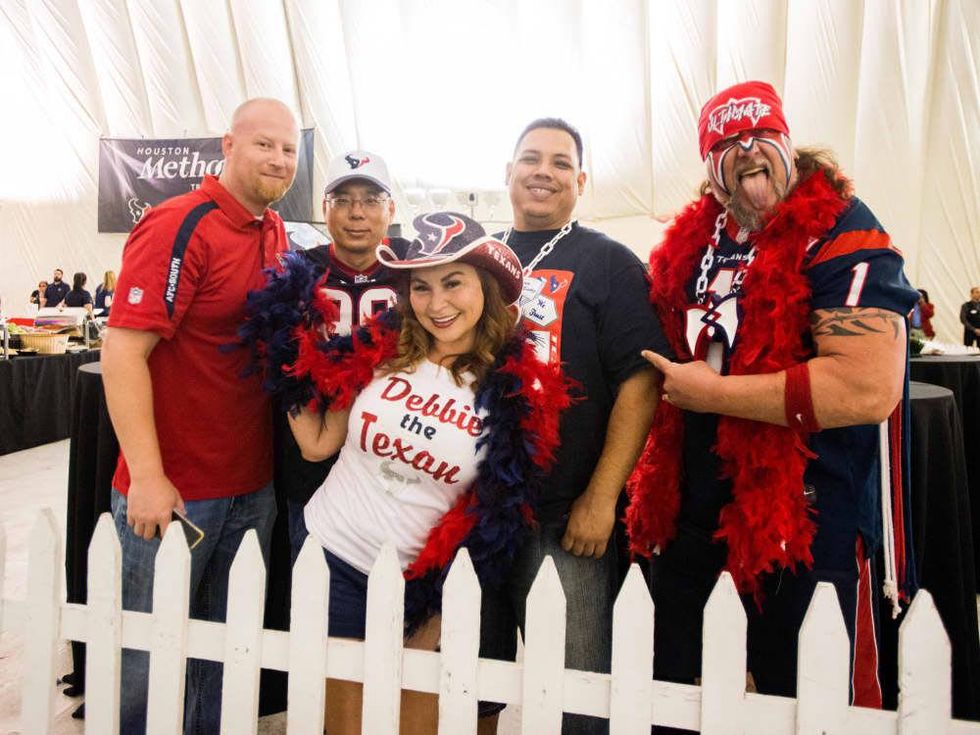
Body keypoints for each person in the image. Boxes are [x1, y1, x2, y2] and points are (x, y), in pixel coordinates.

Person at [627, 81, 919, 721]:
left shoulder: (843, 229)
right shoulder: (692, 240)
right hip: (695, 516)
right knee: (677, 701)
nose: (748, 150)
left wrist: (715, 395)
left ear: (788, 142)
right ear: (709, 170)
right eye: (728, 142)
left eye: (762, 134)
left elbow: (866, 388)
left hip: (806, 518)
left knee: (808, 707)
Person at [247, 212, 572, 734]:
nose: (436, 303)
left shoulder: (516, 392)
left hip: (419, 587)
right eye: (421, 286)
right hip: (333, 558)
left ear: (486, 288)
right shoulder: (383, 348)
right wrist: (284, 355)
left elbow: (498, 522)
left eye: (453, 282)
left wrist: (434, 620)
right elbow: (316, 444)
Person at [101, 97, 299, 734]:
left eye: (289, 149)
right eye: (263, 144)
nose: (277, 158)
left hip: (251, 488)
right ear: (228, 145)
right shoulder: (178, 223)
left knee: (226, 658)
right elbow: (124, 351)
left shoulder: (274, 229)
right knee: (145, 665)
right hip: (178, 494)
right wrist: (149, 476)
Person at [480, 118, 670, 734]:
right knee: (467, 686)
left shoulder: (609, 262)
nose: (544, 171)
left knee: (577, 698)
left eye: (560, 163)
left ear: (580, 181)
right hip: (477, 512)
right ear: (507, 173)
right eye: (530, 158)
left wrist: (602, 496)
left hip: (566, 518)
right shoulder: (477, 259)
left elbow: (639, 385)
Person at [275, 150, 401, 564]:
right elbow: (282, 365)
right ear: (324, 210)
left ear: (391, 208)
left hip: (393, 466)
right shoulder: (296, 275)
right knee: (315, 596)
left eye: (370, 200)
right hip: (314, 469)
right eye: (343, 201)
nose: (356, 213)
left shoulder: (417, 268)